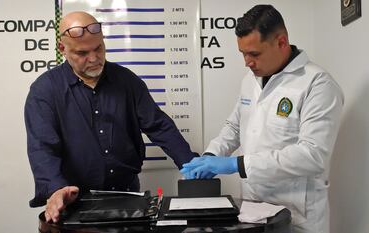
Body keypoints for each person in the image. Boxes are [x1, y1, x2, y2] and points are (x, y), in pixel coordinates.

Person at [180, 4, 343, 233]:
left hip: (297, 215)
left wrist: (236, 164)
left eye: (254, 54)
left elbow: (312, 155)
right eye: (243, 54)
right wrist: (211, 156)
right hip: (253, 210)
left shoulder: (317, 84)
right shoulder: (251, 80)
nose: (247, 62)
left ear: (282, 42)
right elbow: (234, 127)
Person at [25, 11, 198, 223]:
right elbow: (42, 147)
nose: (94, 58)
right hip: (75, 203)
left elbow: (158, 126)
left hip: (128, 197)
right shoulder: (44, 91)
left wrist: (191, 165)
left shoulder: (127, 81)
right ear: (63, 50)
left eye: (98, 48)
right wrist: (56, 189)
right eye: (82, 53)